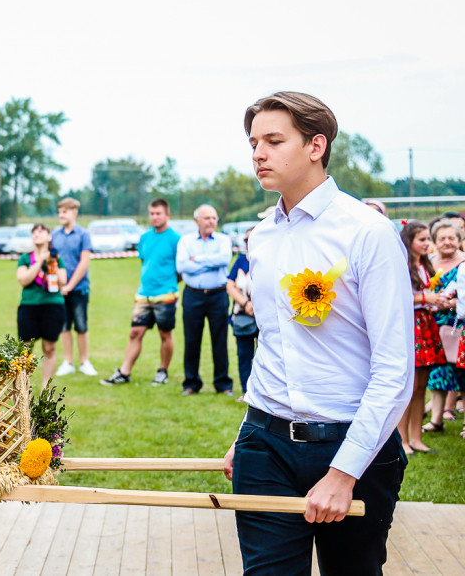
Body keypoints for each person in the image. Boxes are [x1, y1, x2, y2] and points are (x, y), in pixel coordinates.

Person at [224, 91, 412, 575]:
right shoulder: (261, 236)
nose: (257, 154)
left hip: (356, 446)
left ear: (315, 146)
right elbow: (273, 340)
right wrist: (250, 429)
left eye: (273, 140)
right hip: (264, 447)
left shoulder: (367, 232)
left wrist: (344, 471)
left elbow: (394, 369)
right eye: (253, 143)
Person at [101, 198, 180, 386]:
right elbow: (144, 262)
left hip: (166, 294)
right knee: (135, 332)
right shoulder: (145, 237)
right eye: (152, 214)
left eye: (159, 213)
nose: (155, 217)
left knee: (164, 334)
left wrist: (168, 283)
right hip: (144, 294)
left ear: (167, 215)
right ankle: (124, 372)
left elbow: (181, 269)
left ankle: (163, 371)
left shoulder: (175, 239)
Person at [396, 221, 448, 455]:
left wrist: (437, 300)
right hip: (410, 326)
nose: (428, 244)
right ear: (410, 242)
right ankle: (402, 439)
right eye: (423, 240)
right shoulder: (401, 266)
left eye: (429, 239)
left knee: (421, 387)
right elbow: (399, 297)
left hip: (426, 325)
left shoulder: (426, 265)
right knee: (409, 386)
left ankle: (416, 437)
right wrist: (425, 298)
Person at [176, 204, 233, 395]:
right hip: (193, 295)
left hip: (218, 295)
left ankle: (223, 384)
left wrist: (196, 260)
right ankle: (191, 383)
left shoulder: (224, 240)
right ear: (196, 221)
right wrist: (209, 262)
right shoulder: (185, 241)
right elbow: (182, 265)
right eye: (207, 218)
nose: (211, 221)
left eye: (214, 218)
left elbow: (224, 260)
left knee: (220, 340)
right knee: (192, 340)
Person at [422, 219, 464, 434]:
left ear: (459, 240)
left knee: (462, 371)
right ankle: (436, 420)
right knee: (437, 371)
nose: (447, 242)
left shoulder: (463, 263)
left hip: (459, 324)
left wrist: (452, 303)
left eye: (452, 238)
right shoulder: (427, 262)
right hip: (433, 325)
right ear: (435, 241)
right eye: (442, 238)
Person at [16, 223, 67, 387]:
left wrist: (52, 262)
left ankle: (46, 387)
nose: (37, 234)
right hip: (29, 306)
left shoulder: (56, 258)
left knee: (49, 348)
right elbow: (23, 280)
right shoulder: (26, 258)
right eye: (34, 232)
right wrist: (39, 262)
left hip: (52, 306)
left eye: (41, 231)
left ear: (49, 236)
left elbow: (62, 282)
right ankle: (24, 385)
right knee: (25, 348)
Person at [51, 197, 96, 376]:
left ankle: (85, 361)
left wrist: (69, 285)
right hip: (60, 289)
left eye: (65, 211)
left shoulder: (83, 234)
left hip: (79, 289)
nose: (61, 215)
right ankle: (68, 362)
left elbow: (84, 262)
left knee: (81, 325)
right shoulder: (55, 235)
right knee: (64, 326)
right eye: (60, 211)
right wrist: (59, 284)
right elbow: (52, 261)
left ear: (74, 212)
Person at [225, 226, 258, 398]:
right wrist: (246, 303)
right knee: (244, 355)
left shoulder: (269, 260)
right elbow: (230, 285)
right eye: (246, 240)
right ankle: (246, 391)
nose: (249, 242)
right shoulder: (240, 261)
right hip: (243, 315)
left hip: (264, 318)